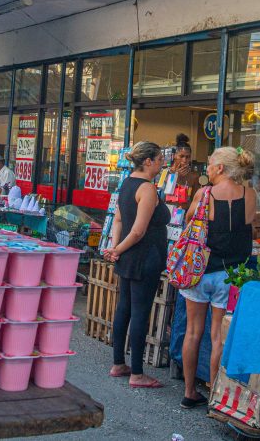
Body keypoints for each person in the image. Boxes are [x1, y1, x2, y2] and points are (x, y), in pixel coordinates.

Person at [180, 146, 256, 409]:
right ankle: (215, 393)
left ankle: (190, 391)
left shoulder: (205, 194)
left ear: (220, 168)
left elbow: (190, 220)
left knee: (192, 332)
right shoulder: (249, 195)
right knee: (217, 337)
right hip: (231, 274)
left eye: (210, 164)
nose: (207, 170)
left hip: (201, 271)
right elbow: (247, 226)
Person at [102, 141, 170, 390]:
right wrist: (117, 249)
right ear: (148, 161)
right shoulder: (147, 189)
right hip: (144, 255)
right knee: (141, 311)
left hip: (128, 255)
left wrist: (115, 247)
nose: (163, 162)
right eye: (160, 158)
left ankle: (119, 363)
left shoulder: (126, 184)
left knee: (125, 308)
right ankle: (138, 373)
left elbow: (119, 220)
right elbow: (140, 231)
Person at [171, 133, 200, 197]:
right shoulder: (166, 173)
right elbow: (163, 197)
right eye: (181, 156)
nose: (184, 160)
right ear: (174, 156)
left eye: (187, 157)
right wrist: (176, 177)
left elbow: (195, 199)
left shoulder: (194, 176)